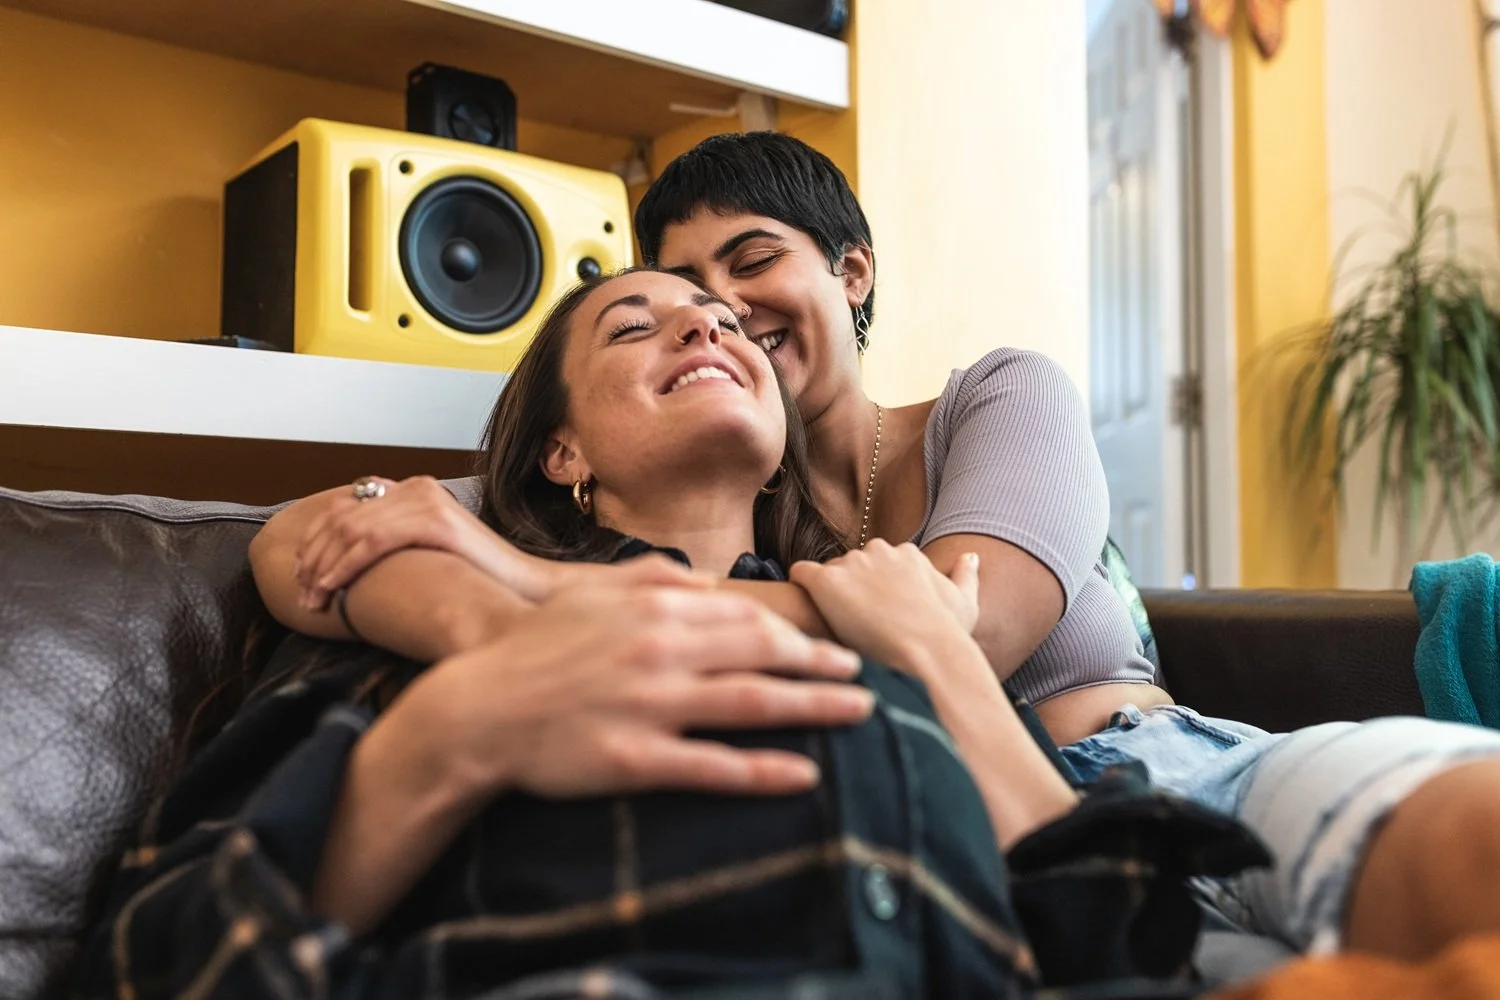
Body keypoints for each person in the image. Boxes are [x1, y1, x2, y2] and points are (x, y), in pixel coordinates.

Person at [273, 131, 1500, 967]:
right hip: (968, 857)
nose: (720, 310)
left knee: (1468, 850)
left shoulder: (994, 399)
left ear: (851, 272)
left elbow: (973, 623)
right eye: (676, 286)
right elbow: (325, 538)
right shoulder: (695, 487)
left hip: (1158, 768)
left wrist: (545, 591)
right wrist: (490, 597)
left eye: (750, 262)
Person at [76, 269, 1092, 999]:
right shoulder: (410, 600)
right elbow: (159, 962)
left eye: (725, 323)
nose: (705, 328)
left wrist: (942, 665)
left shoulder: (901, 620)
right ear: (561, 451)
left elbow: (1114, 919)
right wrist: (451, 734)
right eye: (633, 327)